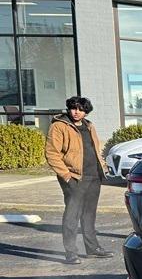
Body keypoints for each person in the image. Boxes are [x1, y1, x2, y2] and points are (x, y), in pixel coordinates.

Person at [44, 96, 113, 265]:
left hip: (93, 176)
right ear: (69, 108)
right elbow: (52, 154)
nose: (77, 112)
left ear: (86, 112)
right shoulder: (59, 126)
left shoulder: (89, 126)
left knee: (89, 214)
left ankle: (92, 249)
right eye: (74, 108)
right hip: (74, 177)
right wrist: (66, 176)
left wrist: (102, 167)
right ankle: (71, 253)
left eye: (81, 110)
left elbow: (95, 149)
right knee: (72, 215)